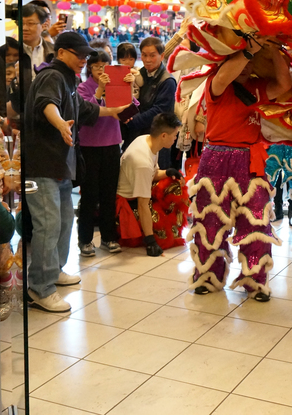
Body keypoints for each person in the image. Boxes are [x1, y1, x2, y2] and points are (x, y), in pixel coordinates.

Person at [22, 32, 129, 313]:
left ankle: (53, 272)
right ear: (61, 52)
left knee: (64, 222)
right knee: (48, 226)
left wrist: (113, 111)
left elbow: (83, 109)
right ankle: (39, 289)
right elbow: (48, 104)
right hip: (41, 165)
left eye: (86, 56)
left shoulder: (69, 78)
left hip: (60, 164)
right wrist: (59, 125)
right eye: (79, 55)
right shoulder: (51, 76)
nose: (83, 60)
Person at [188, 36, 292, 302]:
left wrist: (275, 49)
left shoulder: (257, 87)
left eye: (249, 61)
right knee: (210, 222)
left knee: (256, 222)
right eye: (237, 59)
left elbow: (284, 84)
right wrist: (248, 50)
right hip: (215, 159)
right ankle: (208, 277)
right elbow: (224, 78)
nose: (245, 65)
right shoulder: (217, 84)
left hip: (250, 159)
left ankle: (255, 282)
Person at [76, 51, 123, 258]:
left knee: (109, 194)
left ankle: (108, 237)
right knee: (89, 195)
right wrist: (101, 89)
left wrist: (130, 87)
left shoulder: (117, 85)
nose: (102, 70)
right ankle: (85, 240)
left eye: (105, 65)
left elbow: (131, 110)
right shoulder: (82, 88)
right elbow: (87, 114)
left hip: (112, 144)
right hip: (89, 147)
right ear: (89, 68)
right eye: (96, 66)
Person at [115, 113, 183, 256]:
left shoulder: (146, 140)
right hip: (127, 205)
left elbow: (153, 174)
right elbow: (142, 205)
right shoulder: (143, 162)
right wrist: (150, 240)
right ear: (164, 135)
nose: (176, 138)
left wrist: (168, 172)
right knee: (163, 230)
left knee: (176, 186)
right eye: (175, 135)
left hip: (138, 193)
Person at [122, 37, 177, 168]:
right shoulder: (139, 74)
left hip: (156, 139)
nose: (147, 60)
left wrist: (132, 121)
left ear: (161, 55)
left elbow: (159, 111)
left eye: (152, 56)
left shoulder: (167, 81)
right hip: (137, 137)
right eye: (144, 55)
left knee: (153, 179)